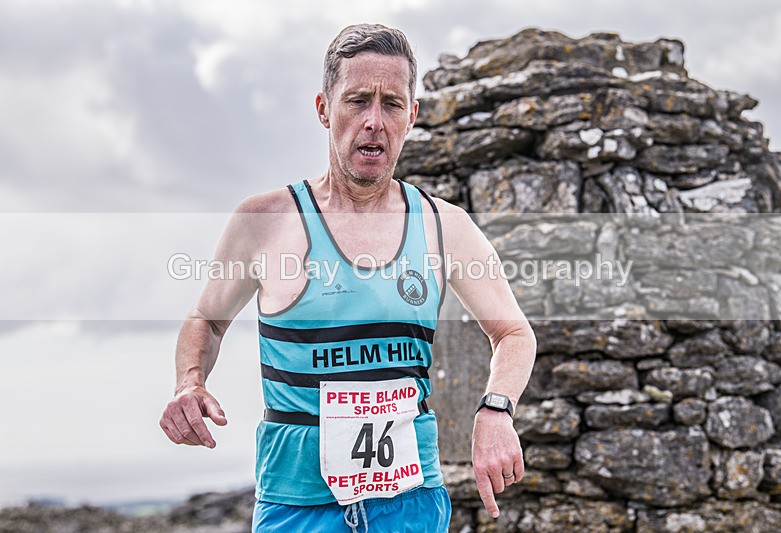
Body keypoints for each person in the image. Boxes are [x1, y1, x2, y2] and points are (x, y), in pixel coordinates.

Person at [159, 23, 536, 533]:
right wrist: (190, 382)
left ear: (413, 115)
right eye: (357, 101)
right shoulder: (265, 221)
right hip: (297, 506)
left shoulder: (444, 226)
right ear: (323, 108)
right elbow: (207, 318)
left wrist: (496, 411)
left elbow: (513, 332)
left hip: (410, 504)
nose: (374, 122)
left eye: (392, 104)